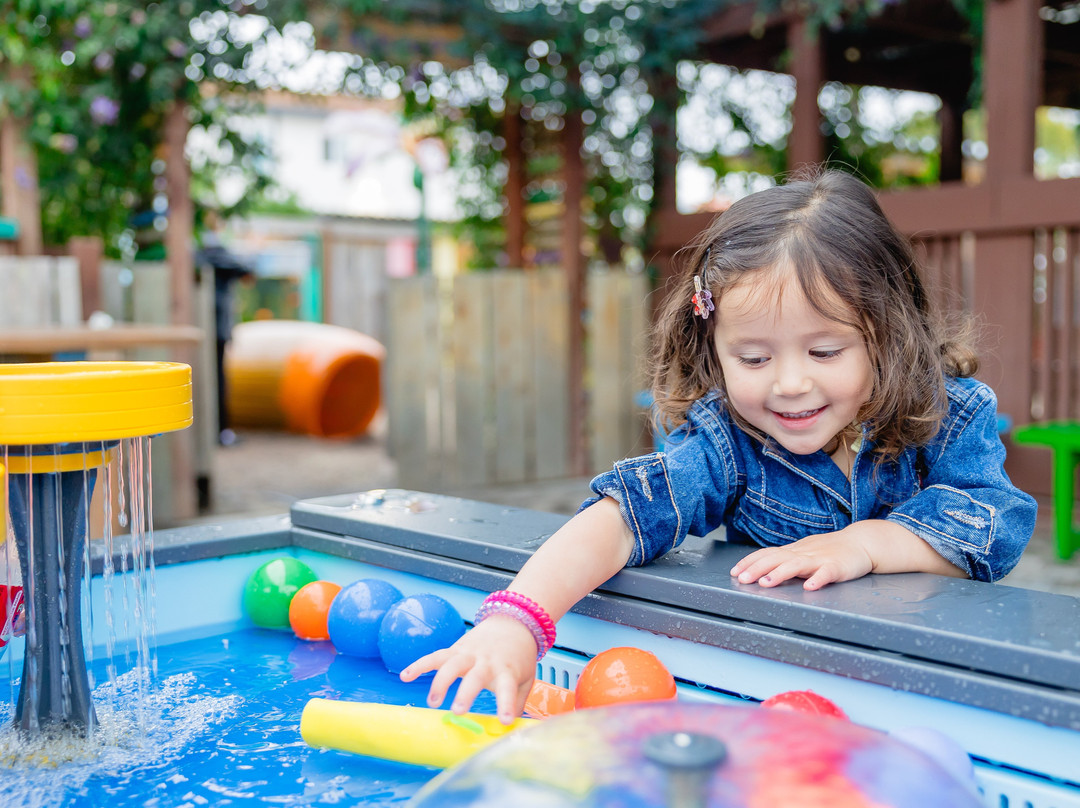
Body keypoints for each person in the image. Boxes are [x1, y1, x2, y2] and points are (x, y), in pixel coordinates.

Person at [400, 169, 1037, 724]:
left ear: (887, 333)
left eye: (825, 351)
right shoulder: (729, 442)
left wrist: (866, 545)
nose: (790, 383)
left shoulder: (949, 416)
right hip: (774, 690)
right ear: (716, 350)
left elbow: (992, 526)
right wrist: (518, 620)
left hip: (926, 689)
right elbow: (622, 516)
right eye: (754, 357)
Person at [195, 218, 254, 447]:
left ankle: (218, 432)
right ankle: (221, 432)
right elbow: (245, 268)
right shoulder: (213, 253)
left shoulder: (203, 253)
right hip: (214, 330)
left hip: (210, 329)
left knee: (214, 382)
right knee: (217, 382)